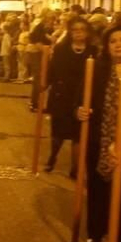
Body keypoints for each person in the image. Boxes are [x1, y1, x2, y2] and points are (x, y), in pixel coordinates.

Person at [78, 24, 121, 242]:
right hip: (100, 136)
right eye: (113, 41)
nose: (118, 44)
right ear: (107, 46)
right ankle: (96, 231)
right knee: (97, 188)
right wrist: (80, 109)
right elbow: (81, 96)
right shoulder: (99, 69)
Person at [44, 17, 94, 173]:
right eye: (75, 30)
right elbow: (53, 69)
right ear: (70, 32)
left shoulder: (93, 51)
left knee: (78, 134)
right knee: (58, 132)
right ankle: (52, 158)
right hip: (62, 95)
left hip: (82, 96)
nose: (79, 33)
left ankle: (76, 167)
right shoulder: (61, 49)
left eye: (82, 30)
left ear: (87, 33)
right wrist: (45, 83)